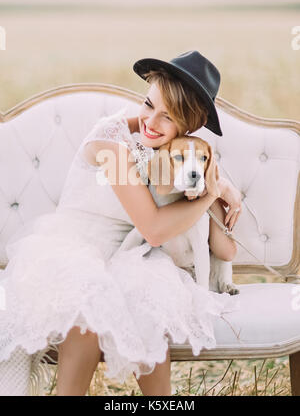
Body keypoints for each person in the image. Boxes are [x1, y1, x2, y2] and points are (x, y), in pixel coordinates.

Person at [0, 50, 242, 396]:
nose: (150, 122)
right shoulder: (110, 142)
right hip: (75, 248)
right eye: (148, 105)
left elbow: (224, 247)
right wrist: (212, 192)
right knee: (86, 305)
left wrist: (221, 187)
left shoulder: (175, 158)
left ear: (186, 130)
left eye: (167, 117)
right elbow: (154, 229)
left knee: (149, 296)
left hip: (128, 255)